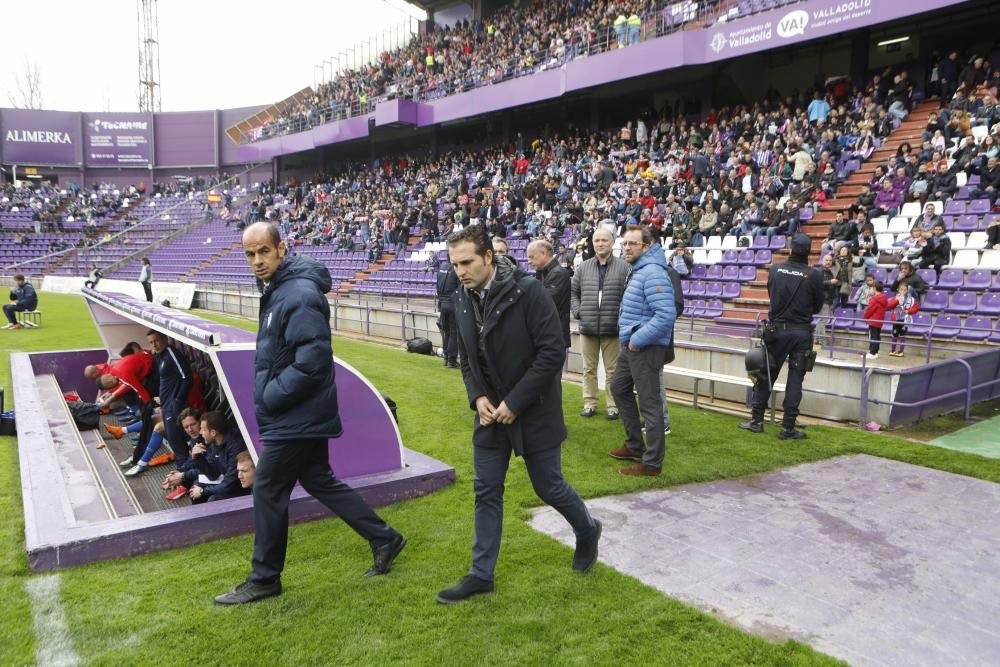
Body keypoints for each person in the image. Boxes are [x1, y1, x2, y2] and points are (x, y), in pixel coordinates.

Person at [215, 222, 405, 606]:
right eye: (250, 254)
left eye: (263, 252)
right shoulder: (281, 290)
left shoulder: (298, 294)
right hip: (299, 412)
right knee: (319, 480)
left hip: (295, 414)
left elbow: (313, 363)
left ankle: (265, 578)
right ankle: (384, 537)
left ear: (281, 249)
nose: (256, 261)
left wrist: (270, 396)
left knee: (268, 489)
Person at [437, 224, 600, 604]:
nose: (459, 271)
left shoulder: (530, 292)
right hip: (490, 413)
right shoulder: (462, 296)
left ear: (489, 257)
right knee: (486, 489)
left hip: (534, 409)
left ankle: (587, 529)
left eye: (466, 262)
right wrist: (477, 396)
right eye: (454, 263)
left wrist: (516, 402)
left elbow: (551, 353)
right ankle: (481, 575)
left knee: (549, 487)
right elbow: (466, 359)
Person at [608, 224, 677, 476]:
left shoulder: (654, 273)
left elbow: (666, 315)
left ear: (646, 247)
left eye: (631, 244)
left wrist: (638, 339)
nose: (626, 248)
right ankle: (635, 445)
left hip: (644, 346)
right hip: (632, 344)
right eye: (624, 243)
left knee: (650, 404)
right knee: (618, 388)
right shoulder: (639, 270)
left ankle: (652, 463)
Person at [739, 234, 823, 440]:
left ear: (791, 248)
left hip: (777, 330)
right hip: (801, 332)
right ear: (809, 251)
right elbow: (818, 306)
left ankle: (757, 421)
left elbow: (772, 295)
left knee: (766, 374)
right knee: (795, 380)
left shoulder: (776, 270)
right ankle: (787, 427)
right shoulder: (814, 275)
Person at [570, 227, 629, 420]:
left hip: (613, 328)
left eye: (604, 240)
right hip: (588, 327)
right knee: (588, 369)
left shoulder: (624, 267)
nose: (600, 244)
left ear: (612, 242)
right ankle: (590, 403)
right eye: (597, 240)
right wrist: (579, 312)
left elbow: (629, 295)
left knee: (613, 370)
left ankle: (613, 406)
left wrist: (621, 317)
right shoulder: (583, 266)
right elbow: (573, 293)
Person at [145, 330, 194, 468]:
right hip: (166, 406)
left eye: (156, 340)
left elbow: (187, 378)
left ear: (165, 339)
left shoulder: (172, 354)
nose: (154, 345)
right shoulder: (159, 357)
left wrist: (177, 400)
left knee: (177, 443)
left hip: (174, 407)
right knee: (176, 443)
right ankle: (183, 475)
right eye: (151, 342)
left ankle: (184, 478)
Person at [185, 411, 249, 503]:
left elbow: (231, 483)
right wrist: (197, 458)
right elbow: (213, 475)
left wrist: (203, 491)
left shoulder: (235, 447)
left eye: (203, 429)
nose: (200, 433)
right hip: (229, 484)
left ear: (213, 433)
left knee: (214, 500)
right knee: (196, 488)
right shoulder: (215, 444)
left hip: (243, 488)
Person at [527, 239, 572, 347]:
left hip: (555, 338)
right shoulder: (543, 273)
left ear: (543, 253)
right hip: (546, 335)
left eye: (531, 257)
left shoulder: (558, 273)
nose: (528, 261)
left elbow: (543, 304)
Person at [160, 408, 204, 501]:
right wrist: (178, 471)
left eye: (193, 424)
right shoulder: (195, 438)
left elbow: (209, 470)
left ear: (201, 422)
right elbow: (192, 459)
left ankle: (184, 486)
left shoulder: (207, 440)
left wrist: (182, 476)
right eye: (186, 427)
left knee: (196, 488)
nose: (190, 429)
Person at [436, 258, 461, 368]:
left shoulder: (442, 267)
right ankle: (452, 360)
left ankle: (446, 358)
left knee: (447, 332)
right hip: (452, 304)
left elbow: (437, 286)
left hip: (443, 304)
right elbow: (460, 288)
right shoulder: (456, 269)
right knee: (454, 333)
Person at [887, 284, 919, 358]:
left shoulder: (911, 299)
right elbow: (889, 305)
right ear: (898, 290)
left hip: (904, 320)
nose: (903, 291)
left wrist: (909, 311)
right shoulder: (895, 297)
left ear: (907, 290)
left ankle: (901, 351)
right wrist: (897, 300)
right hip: (896, 320)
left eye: (905, 290)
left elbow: (916, 308)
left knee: (902, 336)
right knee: (894, 335)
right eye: (901, 289)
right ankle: (892, 350)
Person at [863, 281, 889, 360]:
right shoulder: (884, 298)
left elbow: (869, 310)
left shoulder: (874, 299)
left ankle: (872, 353)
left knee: (872, 337)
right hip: (879, 321)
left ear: (874, 288)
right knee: (877, 336)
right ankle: (875, 352)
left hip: (873, 321)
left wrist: (865, 317)